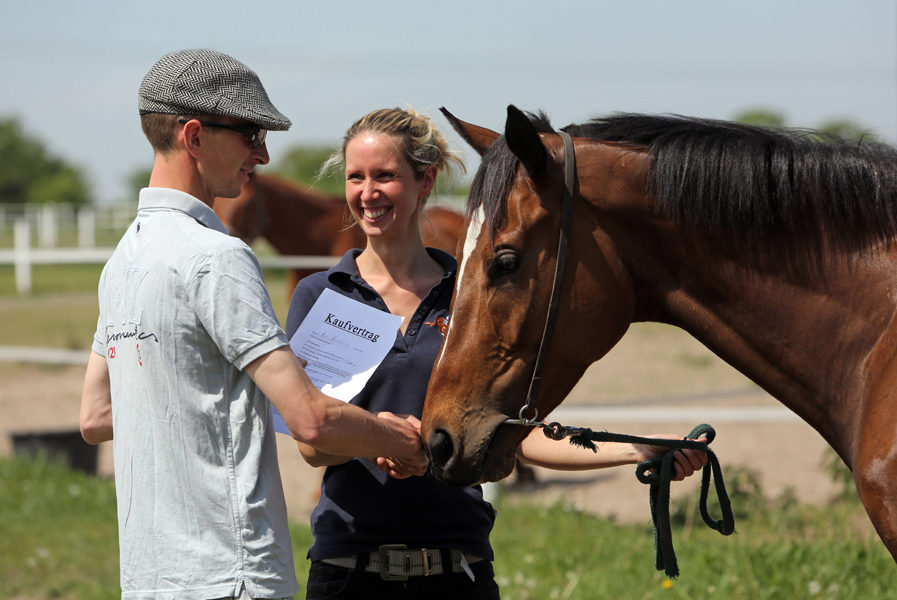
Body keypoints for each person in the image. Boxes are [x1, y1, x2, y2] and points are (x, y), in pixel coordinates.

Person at [284, 107, 708, 600]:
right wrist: (390, 439)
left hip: (458, 571)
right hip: (346, 571)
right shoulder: (322, 295)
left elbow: (517, 437)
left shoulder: (470, 295)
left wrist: (635, 447)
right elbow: (312, 444)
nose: (367, 193)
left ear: (426, 181)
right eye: (356, 177)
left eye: (385, 176)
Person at [79, 50, 427, 600]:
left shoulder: (123, 260)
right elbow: (310, 421)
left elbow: (96, 417)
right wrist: (400, 438)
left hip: (150, 575)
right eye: (249, 134)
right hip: (232, 572)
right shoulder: (218, 256)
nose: (263, 155)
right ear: (195, 136)